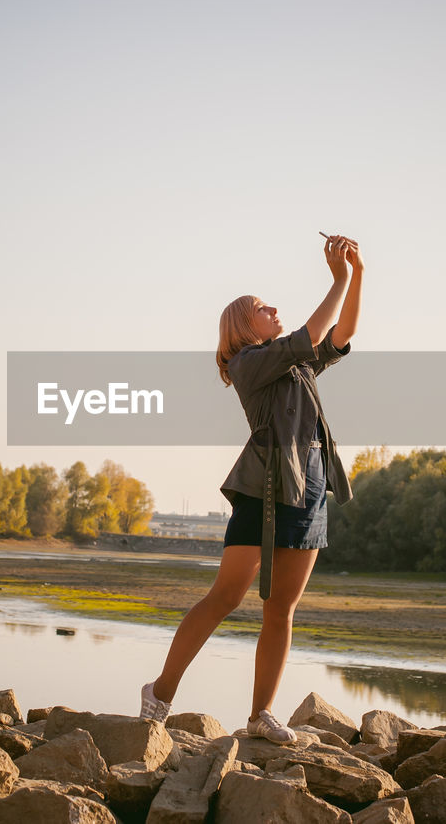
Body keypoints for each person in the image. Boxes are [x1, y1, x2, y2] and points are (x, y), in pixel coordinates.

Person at [140, 233, 364, 745]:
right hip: (262, 487)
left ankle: (261, 714)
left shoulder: (296, 360)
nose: (274, 309)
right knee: (225, 596)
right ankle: (160, 692)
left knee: (281, 609)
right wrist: (339, 277)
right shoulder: (250, 362)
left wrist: (358, 275)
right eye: (264, 308)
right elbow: (311, 333)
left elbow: (340, 332)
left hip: (309, 484)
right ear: (245, 325)